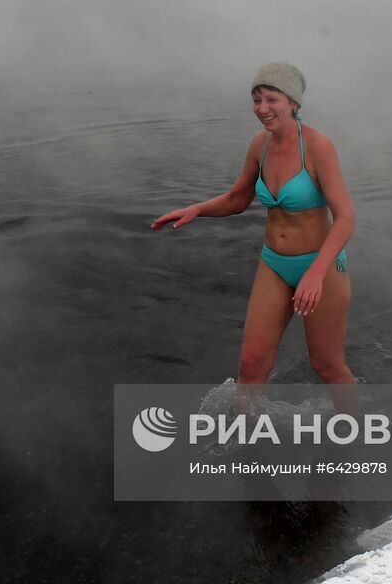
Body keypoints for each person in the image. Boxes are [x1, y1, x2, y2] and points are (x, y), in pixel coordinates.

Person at [152, 62, 357, 397]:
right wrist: (197, 209)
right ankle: (246, 444)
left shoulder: (319, 147)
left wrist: (316, 274)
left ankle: (355, 435)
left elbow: (346, 217)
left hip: (320, 267)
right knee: (250, 367)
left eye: (271, 99)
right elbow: (238, 198)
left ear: (293, 102)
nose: (262, 109)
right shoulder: (259, 146)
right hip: (274, 264)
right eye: (257, 99)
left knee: (327, 366)